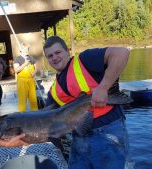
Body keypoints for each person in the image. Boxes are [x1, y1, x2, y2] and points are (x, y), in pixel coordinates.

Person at [43, 36, 131, 169]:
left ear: (67, 51)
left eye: (58, 52)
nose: (54, 58)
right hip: (79, 139)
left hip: (108, 130)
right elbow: (45, 120)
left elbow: (122, 53)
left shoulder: (85, 59)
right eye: (50, 56)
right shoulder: (53, 91)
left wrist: (103, 87)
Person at [13, 43, 38, 112]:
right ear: (20, 50)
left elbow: (36, 68)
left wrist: (34, 72)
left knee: (33, 100)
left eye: (27, 49)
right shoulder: (17, 59)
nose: (27, 50)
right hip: (22, 81)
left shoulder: (31, 58)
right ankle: (21, 116)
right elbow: (16, 70)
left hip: (31, 80)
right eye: (25, 49)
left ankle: (35, 115)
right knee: (22, 100)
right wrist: (25, 64)